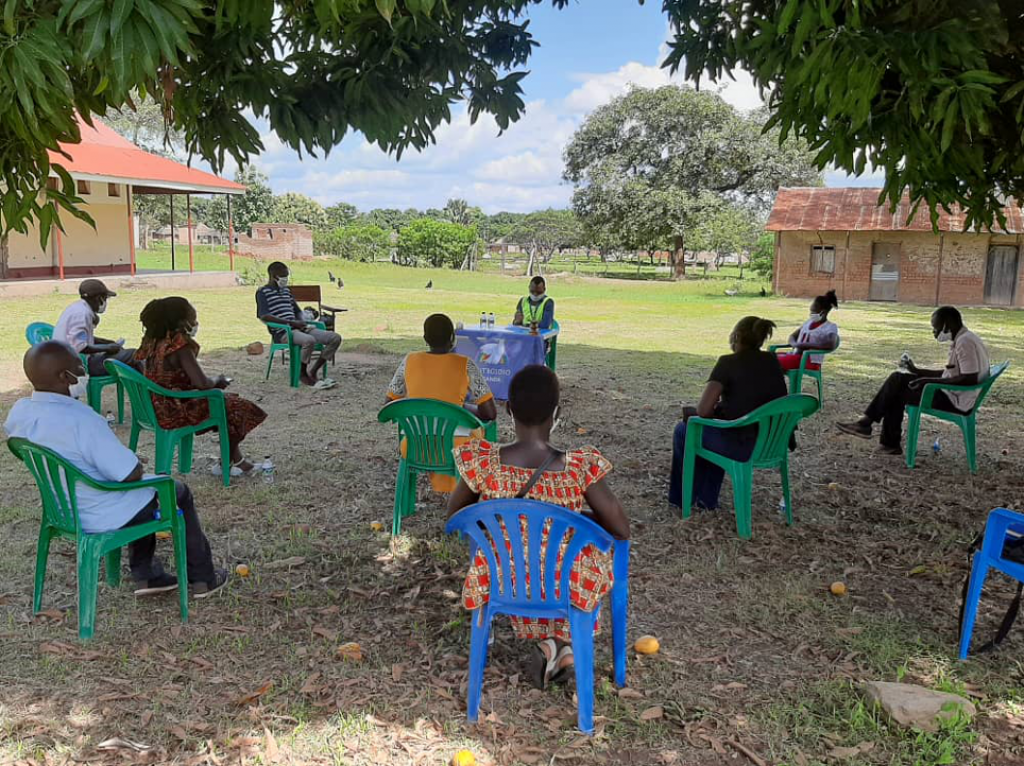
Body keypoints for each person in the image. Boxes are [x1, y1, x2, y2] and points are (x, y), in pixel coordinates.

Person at [447, 365, 630, 689]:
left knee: (533, 563)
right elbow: (620, 529)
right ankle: (563, 643)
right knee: (588, 560)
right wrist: (578, 518)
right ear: (557, 412)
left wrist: (498, 514)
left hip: (501, 574)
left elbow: (456, 515)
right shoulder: (577, 468)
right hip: (566, 582)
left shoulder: (483, 461)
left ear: (508, 409)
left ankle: (554, 646)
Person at [4, 342, 227, 597]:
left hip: (63, 509)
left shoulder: (20, 411)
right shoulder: (81, 419)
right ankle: (203, 580)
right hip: (101, 511)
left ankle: (149, 576)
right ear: (65, 377)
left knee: (147, 493)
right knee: (173, 490)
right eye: (80, 367)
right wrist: (133, 461)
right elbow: (129, 474)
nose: (84, 371)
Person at [136, 297, 267, 477]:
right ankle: (227, 463)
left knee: (227, 405)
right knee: (240, 408)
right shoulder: (179, 346)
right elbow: (202, 383)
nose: (195, 323)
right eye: (193, 319)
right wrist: (218, 380)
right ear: (181, 322)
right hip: (176, 409)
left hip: (157, 406)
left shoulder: (151, 342)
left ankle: (238, 462)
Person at [669, 316, 789, 510]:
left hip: (741, 446)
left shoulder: (728, 362)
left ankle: (682, 498)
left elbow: (703, 410)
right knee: (719, 426)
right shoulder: (772, 361)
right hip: (772, 444)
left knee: (685, 430)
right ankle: (706, 499)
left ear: (737, 336)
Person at [837, 306, 990, 455]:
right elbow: (950, 373)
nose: (934, 333)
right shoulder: (965, 338)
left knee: (896, 387)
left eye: (936, 328)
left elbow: (969, 379)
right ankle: (875, 432)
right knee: (897, 381)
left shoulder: (964, 342)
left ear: (946, 325)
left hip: (956, 401)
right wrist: (918, 372)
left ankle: (874, 430)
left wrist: (927, 381)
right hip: (954, 394)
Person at [386, 313, 498, 492]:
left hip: (414, 446)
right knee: (484, 430)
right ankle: (479, 491)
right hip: (458, 449)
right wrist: (463, 408)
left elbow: (390, 403)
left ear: (425, 338)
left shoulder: (409, 361)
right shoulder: (466, 365)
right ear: (453, 338)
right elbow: (490, 413)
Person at [256, 262, 342, 389]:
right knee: (309, 340)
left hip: (299, 327)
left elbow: (297, 311)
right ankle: (302, 374)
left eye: (287, 276)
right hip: (283, 331)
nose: (285, 279)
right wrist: (290, 323)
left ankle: (313, 371)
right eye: (283, 276)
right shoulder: (263, 292)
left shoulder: (286, 291)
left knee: (335, 338)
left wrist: (305, 320)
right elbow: (263, 316)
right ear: (274, 276)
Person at [53, 279, 140, 376]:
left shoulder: (78, 308)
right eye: (105, 298)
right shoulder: (82, 314)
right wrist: (107, 348)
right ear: (99, 298)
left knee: (122, 354)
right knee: (135, 354)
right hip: (79, 366)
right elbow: (80, 347)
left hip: (71, 360)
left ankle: (139, 387)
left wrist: (106, 342)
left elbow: (81, 339)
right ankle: (149, 387)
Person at [777, 289, 840, 371]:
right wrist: (795, 344)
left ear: (823, 312)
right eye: (811, 311)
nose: (811, 314)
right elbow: (792, 336)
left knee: (773, 363)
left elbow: (832, 344)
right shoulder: (808, 323)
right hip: (795, 354)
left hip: (809, 361)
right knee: (767, 358)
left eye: (813, 311)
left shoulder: (830, 327)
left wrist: (807, 345)